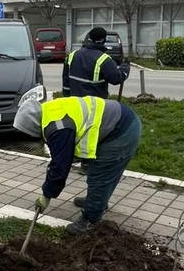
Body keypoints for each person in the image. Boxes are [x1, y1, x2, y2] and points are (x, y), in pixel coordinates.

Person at [13, 96, 142, 235]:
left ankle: (91, 220)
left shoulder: (57, 127)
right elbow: (62, 156)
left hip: (121, 130)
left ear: (33, 125)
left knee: (101, 175)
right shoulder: (50, 111)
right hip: (120, 121)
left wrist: (46, 195)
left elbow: (60, 167)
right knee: (101, 173)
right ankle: (97, 201)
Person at [62, 26, 129, 98]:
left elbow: (66, 80)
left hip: (75, 102)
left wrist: (67, 97)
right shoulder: (104, 59)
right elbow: (116, 79)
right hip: (95, 103)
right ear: (103, 40)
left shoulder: (72, 55)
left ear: (89, 38)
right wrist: (125, 67)